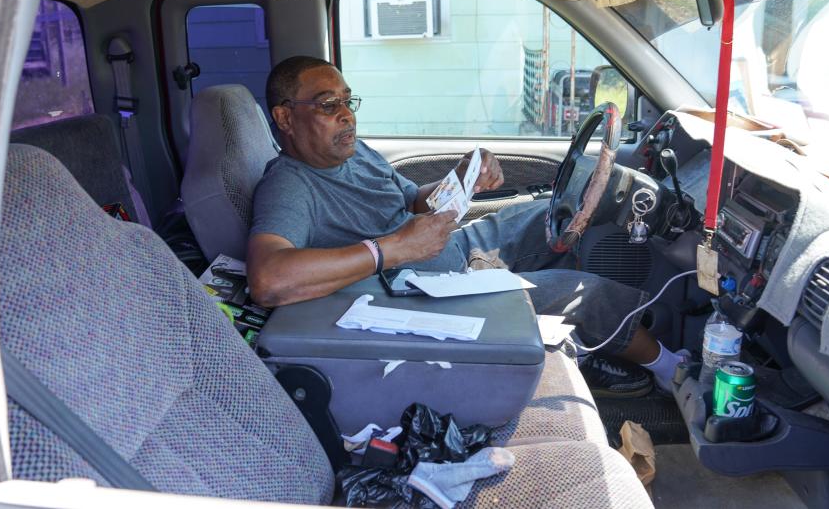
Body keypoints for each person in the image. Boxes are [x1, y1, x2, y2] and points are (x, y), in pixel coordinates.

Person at [247, 56, 686, 396]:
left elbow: (414, 201)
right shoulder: (288, 185)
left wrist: (461, 178)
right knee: (585, 293)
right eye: (329, 105)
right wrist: (391, 249)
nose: (346, 115)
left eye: (347, 100)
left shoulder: (353, 151)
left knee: (555, 209)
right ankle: (673, 372)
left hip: (450, 250)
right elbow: (269, 279)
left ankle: (603, 342)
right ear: (285, 118)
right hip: (426, 293)